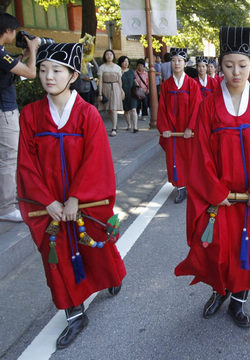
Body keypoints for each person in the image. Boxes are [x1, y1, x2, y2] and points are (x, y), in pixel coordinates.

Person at [175, 27, 250, 329]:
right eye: (228, 65)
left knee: (248, 251)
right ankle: (219, 291)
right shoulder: (209, 106)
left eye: (242, 65)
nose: (236, 72)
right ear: (220, 65)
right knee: (218, 250)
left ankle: (238, 301)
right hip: (222, 198)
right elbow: (200, 153)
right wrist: (215, 190)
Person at [17, 42, 125, 349]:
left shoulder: (87, 115)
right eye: (43, 70)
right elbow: (26, 164)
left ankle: (113, 276)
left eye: (57, 70)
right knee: (57, 258)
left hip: (85, 202)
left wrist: (77, 198)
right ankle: (74, 315)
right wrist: (48, 202)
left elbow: (97, 159)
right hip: (48, 206)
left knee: (95, 248)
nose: (48, 76)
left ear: (73, 75)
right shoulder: (31, 116)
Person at [0, 13, 39, 223]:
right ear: (7, 31)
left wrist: (24, 56)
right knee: (8, 159)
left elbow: (13, 71)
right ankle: (6, 206)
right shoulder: (0, 54)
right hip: (4, 111)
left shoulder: (3, 55)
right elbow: (31, 73)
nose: (15, 34)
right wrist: (32, 51)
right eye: (14, 31)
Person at [157, 48, 201, 204]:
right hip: (172, 131)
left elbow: (197, 106)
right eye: (174, 60)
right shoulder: (166, 85)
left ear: (185, 63)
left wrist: (191, 127)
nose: (176, 63)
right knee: (175, 159)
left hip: (187, 131)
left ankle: (193, 187)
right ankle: (181, 188)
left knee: (191, 158)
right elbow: (162, 108)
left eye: (180, 61)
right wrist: (164, 129)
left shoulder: (192, 85)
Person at [97, 49, 124, 137]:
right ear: (104, 56)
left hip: (115, 87)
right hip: (105, 87)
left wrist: (121, 90)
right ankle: (114, 124)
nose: (109, 56)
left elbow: (120, 81)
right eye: (107, 54)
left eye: (110, 54)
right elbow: (100, 81)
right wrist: (100, 93)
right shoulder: (102, 67)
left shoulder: (117, 67)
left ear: (113, 56)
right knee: (108, 109)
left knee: (113, 108)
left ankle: (114, 128)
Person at [118, 56, 138, 133]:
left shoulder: (131, 71)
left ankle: (135, 126)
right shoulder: (118, 71)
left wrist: (138, 87)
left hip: (132, 92)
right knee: (126, 111)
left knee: (133, 109)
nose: (126, 63)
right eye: (124, 61)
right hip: (123, 93)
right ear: (121, 62)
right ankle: (129, 125)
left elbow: (135, 80)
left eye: (127, 61)